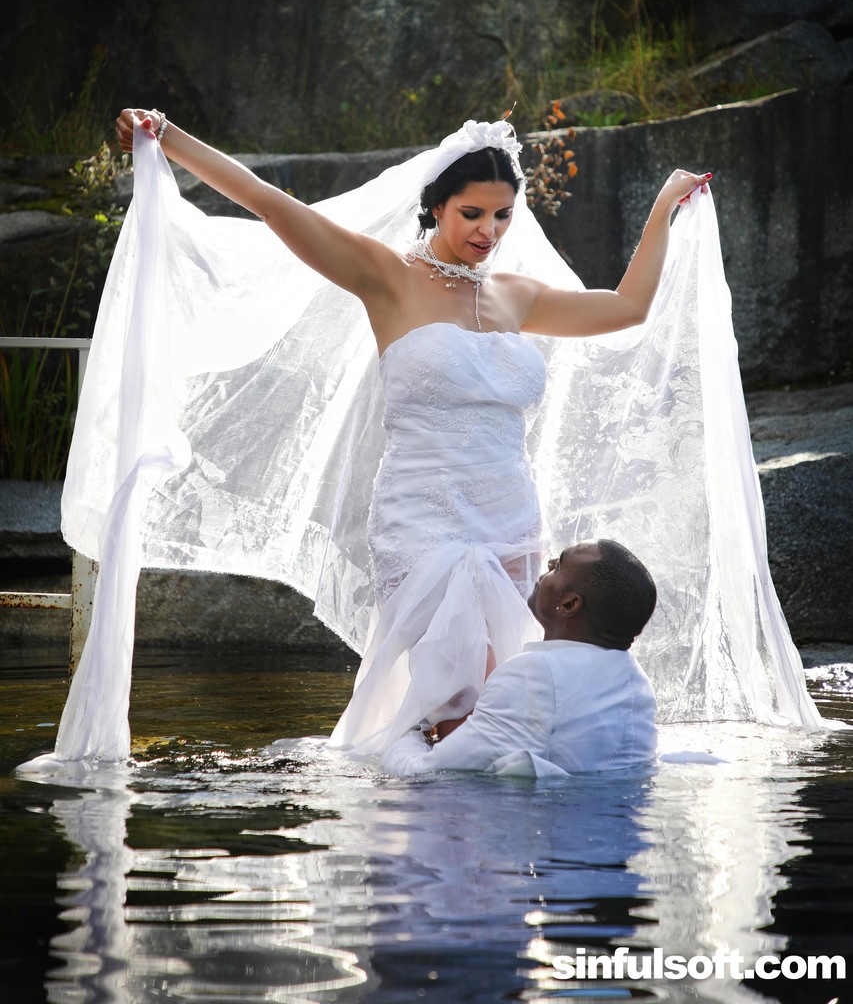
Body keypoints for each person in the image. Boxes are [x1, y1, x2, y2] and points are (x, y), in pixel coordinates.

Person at [113, 109, 707, 757]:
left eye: (502, 215)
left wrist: (662, 208)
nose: (488, 231)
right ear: (435, 207)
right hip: (423, 516)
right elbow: (270, 202)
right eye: (471, 213)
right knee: (451, 702)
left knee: (497, 693)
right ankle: (429, 800)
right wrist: (169, 137)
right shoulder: (387, 277)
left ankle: (490, 810)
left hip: (510, 515)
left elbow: (626, 308)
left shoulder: (515, 296)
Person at [382, 538, 658, 777]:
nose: (549, 563)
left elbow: (427, 771)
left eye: (559, 565)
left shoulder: (532, 675)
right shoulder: (638, 682)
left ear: (569, 604)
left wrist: (409, 734)